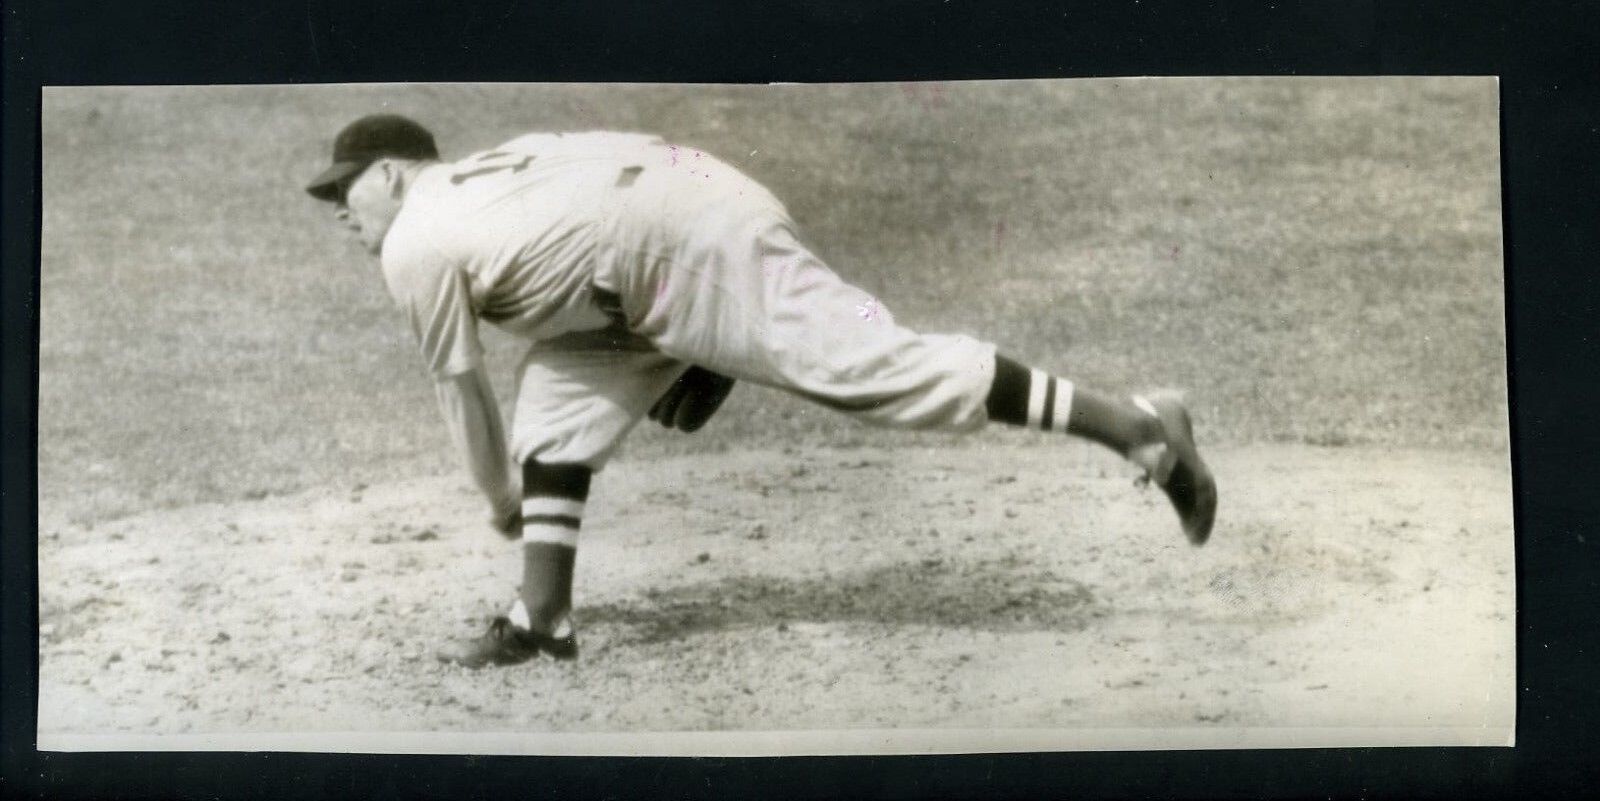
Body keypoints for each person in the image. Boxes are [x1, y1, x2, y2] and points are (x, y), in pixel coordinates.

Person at [304, 114, 1217, 669]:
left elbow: (459, 390)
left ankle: (1136, 424)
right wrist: (677, 338)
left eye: (346, 190)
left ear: (392, 173)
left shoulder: (415, 236)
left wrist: (499, 498)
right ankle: (542, 619)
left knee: (873, 370)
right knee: (557, 396)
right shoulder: (492, 171)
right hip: (669, 229)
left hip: (678, 245)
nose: (342, 210)